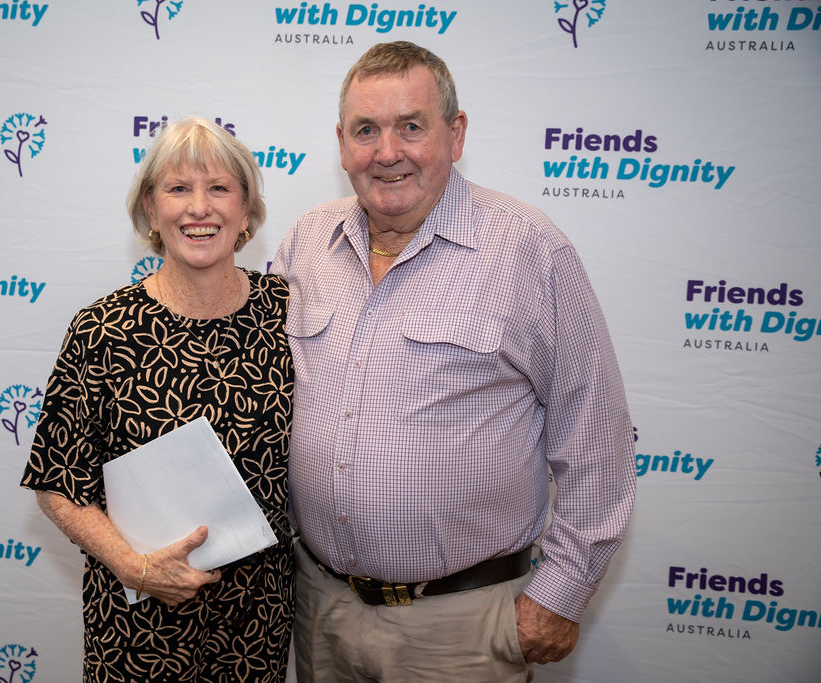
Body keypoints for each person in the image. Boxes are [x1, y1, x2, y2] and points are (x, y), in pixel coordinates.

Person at [271, 41, 637, 682]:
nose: (388, 152)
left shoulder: (529, 249)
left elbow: (597, 437)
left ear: (456, 133)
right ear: (341, 144)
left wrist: (559, 595)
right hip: (321, 609)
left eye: (411, 126)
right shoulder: (307, 243)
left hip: (462, 627)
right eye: (366, 130)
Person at [21, 117, 295, 682]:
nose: (199, 208)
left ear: (247, 209)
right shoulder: (102, 329)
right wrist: (135, 567)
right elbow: (56, 483)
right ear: (150, 208)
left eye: (219, 188)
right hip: (138, 626)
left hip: (256, 622)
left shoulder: (286, 313)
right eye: (178, 189)